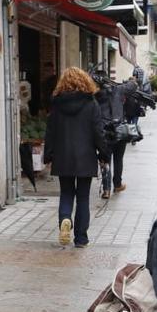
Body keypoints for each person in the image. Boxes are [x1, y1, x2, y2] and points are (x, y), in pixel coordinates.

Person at [43, 67, 109, 248]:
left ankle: (65, 220)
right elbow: (98, 132)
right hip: (85, 157)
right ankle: (81, 238)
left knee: (66, 193)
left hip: (62, 157)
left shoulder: (56, 104)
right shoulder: (91, 104)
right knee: (83, 198)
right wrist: (104, 155)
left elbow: (51, 132)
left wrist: (48, 155)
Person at [93, 70, 129, 198]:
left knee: (105, 159)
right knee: (118, 159)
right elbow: (133, 87)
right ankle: (117, 185)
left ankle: (106, 190)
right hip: (119, 130)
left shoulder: (96, 95)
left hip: (104, 131)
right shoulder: (118, 90)